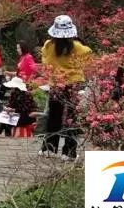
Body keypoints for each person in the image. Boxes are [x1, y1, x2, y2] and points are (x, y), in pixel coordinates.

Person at [40, 15, 93, 160]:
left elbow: (45, 61)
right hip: (73, 84)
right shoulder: (77, 47)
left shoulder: (48, 45)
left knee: (54, 116)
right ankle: (69, 152)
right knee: (72, 117)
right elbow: (88, 56)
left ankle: (49, 148)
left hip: (56, 84)